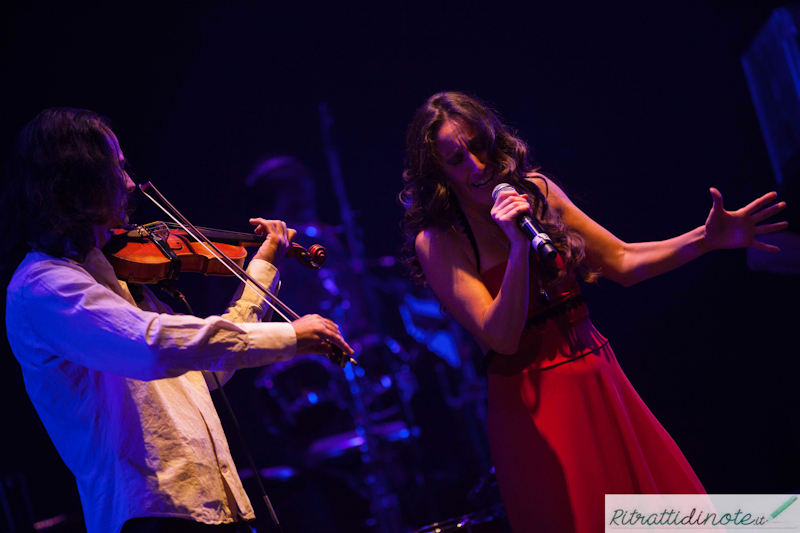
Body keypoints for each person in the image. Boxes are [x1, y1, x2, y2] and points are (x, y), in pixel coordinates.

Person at [399, 92, 788, 533]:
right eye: (456, 158)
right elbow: (501, 336)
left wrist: (707, 239)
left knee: (670, 519)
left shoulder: (538, 191)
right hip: (536, 403)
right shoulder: (439, 241)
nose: (476, 165)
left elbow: (622, 261)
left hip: (598, 373)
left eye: (479, 144)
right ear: (438, 174)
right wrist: (516, 247)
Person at [1, 108, 354, 533]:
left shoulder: (123, 279)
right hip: (149, 516)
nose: (130, 184)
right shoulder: (44, 286)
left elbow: (204, 370)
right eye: (117, 167)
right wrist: (289, 335)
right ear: (80, 179)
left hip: (212, 506)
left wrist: (261, 270)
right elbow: (153, 345)